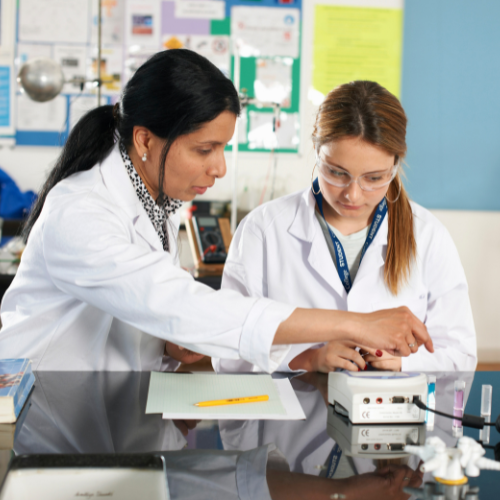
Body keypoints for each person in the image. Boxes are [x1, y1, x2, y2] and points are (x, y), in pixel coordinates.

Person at [0, 53, 432, 371]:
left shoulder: (153, 204)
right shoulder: (80, 212)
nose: (220, 167)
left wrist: (165, 346)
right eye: (205, 149)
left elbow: (145, 312)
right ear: (146, 141)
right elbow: (180, 305)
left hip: (107, 419)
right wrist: (357, 325)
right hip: (41, 418)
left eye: (223, 148)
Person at [214, 80, 475, 374]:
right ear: (316, 152)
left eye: (374, 178)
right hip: (294, 416)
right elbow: (226, 349)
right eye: (337, 173)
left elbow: (461, 355)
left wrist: (403, 362)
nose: (352, 194)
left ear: (395, 166)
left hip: (394, 417)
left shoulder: (427, 235)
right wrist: (308, 360)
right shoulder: (263, 229)